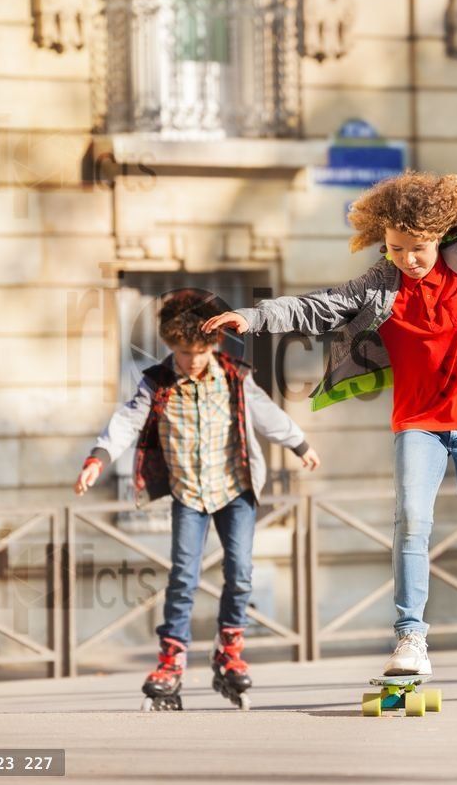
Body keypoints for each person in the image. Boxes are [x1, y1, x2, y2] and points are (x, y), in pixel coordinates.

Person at [203, 127, 457, 677]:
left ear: (440, 235)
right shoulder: (380, 284)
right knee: (410, 521)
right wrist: (253, 317)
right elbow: (314, 307)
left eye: (417, 249)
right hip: (419, 424)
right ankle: (410, 637)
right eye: (396, 250)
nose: (408, 261)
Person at [75, 290, 321, 710]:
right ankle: (171, 662)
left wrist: (300, 445)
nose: (192, 360)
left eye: (200, 351)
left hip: (235, 488)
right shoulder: (157, 382)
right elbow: (125, 422)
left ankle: (229, 652)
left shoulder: (235, 376)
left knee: (240, 572)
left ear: (214, 344)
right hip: (188, 493)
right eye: (184, 351)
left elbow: (267, 415)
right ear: (171, 346)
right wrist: (97, 459)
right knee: (183, 577)